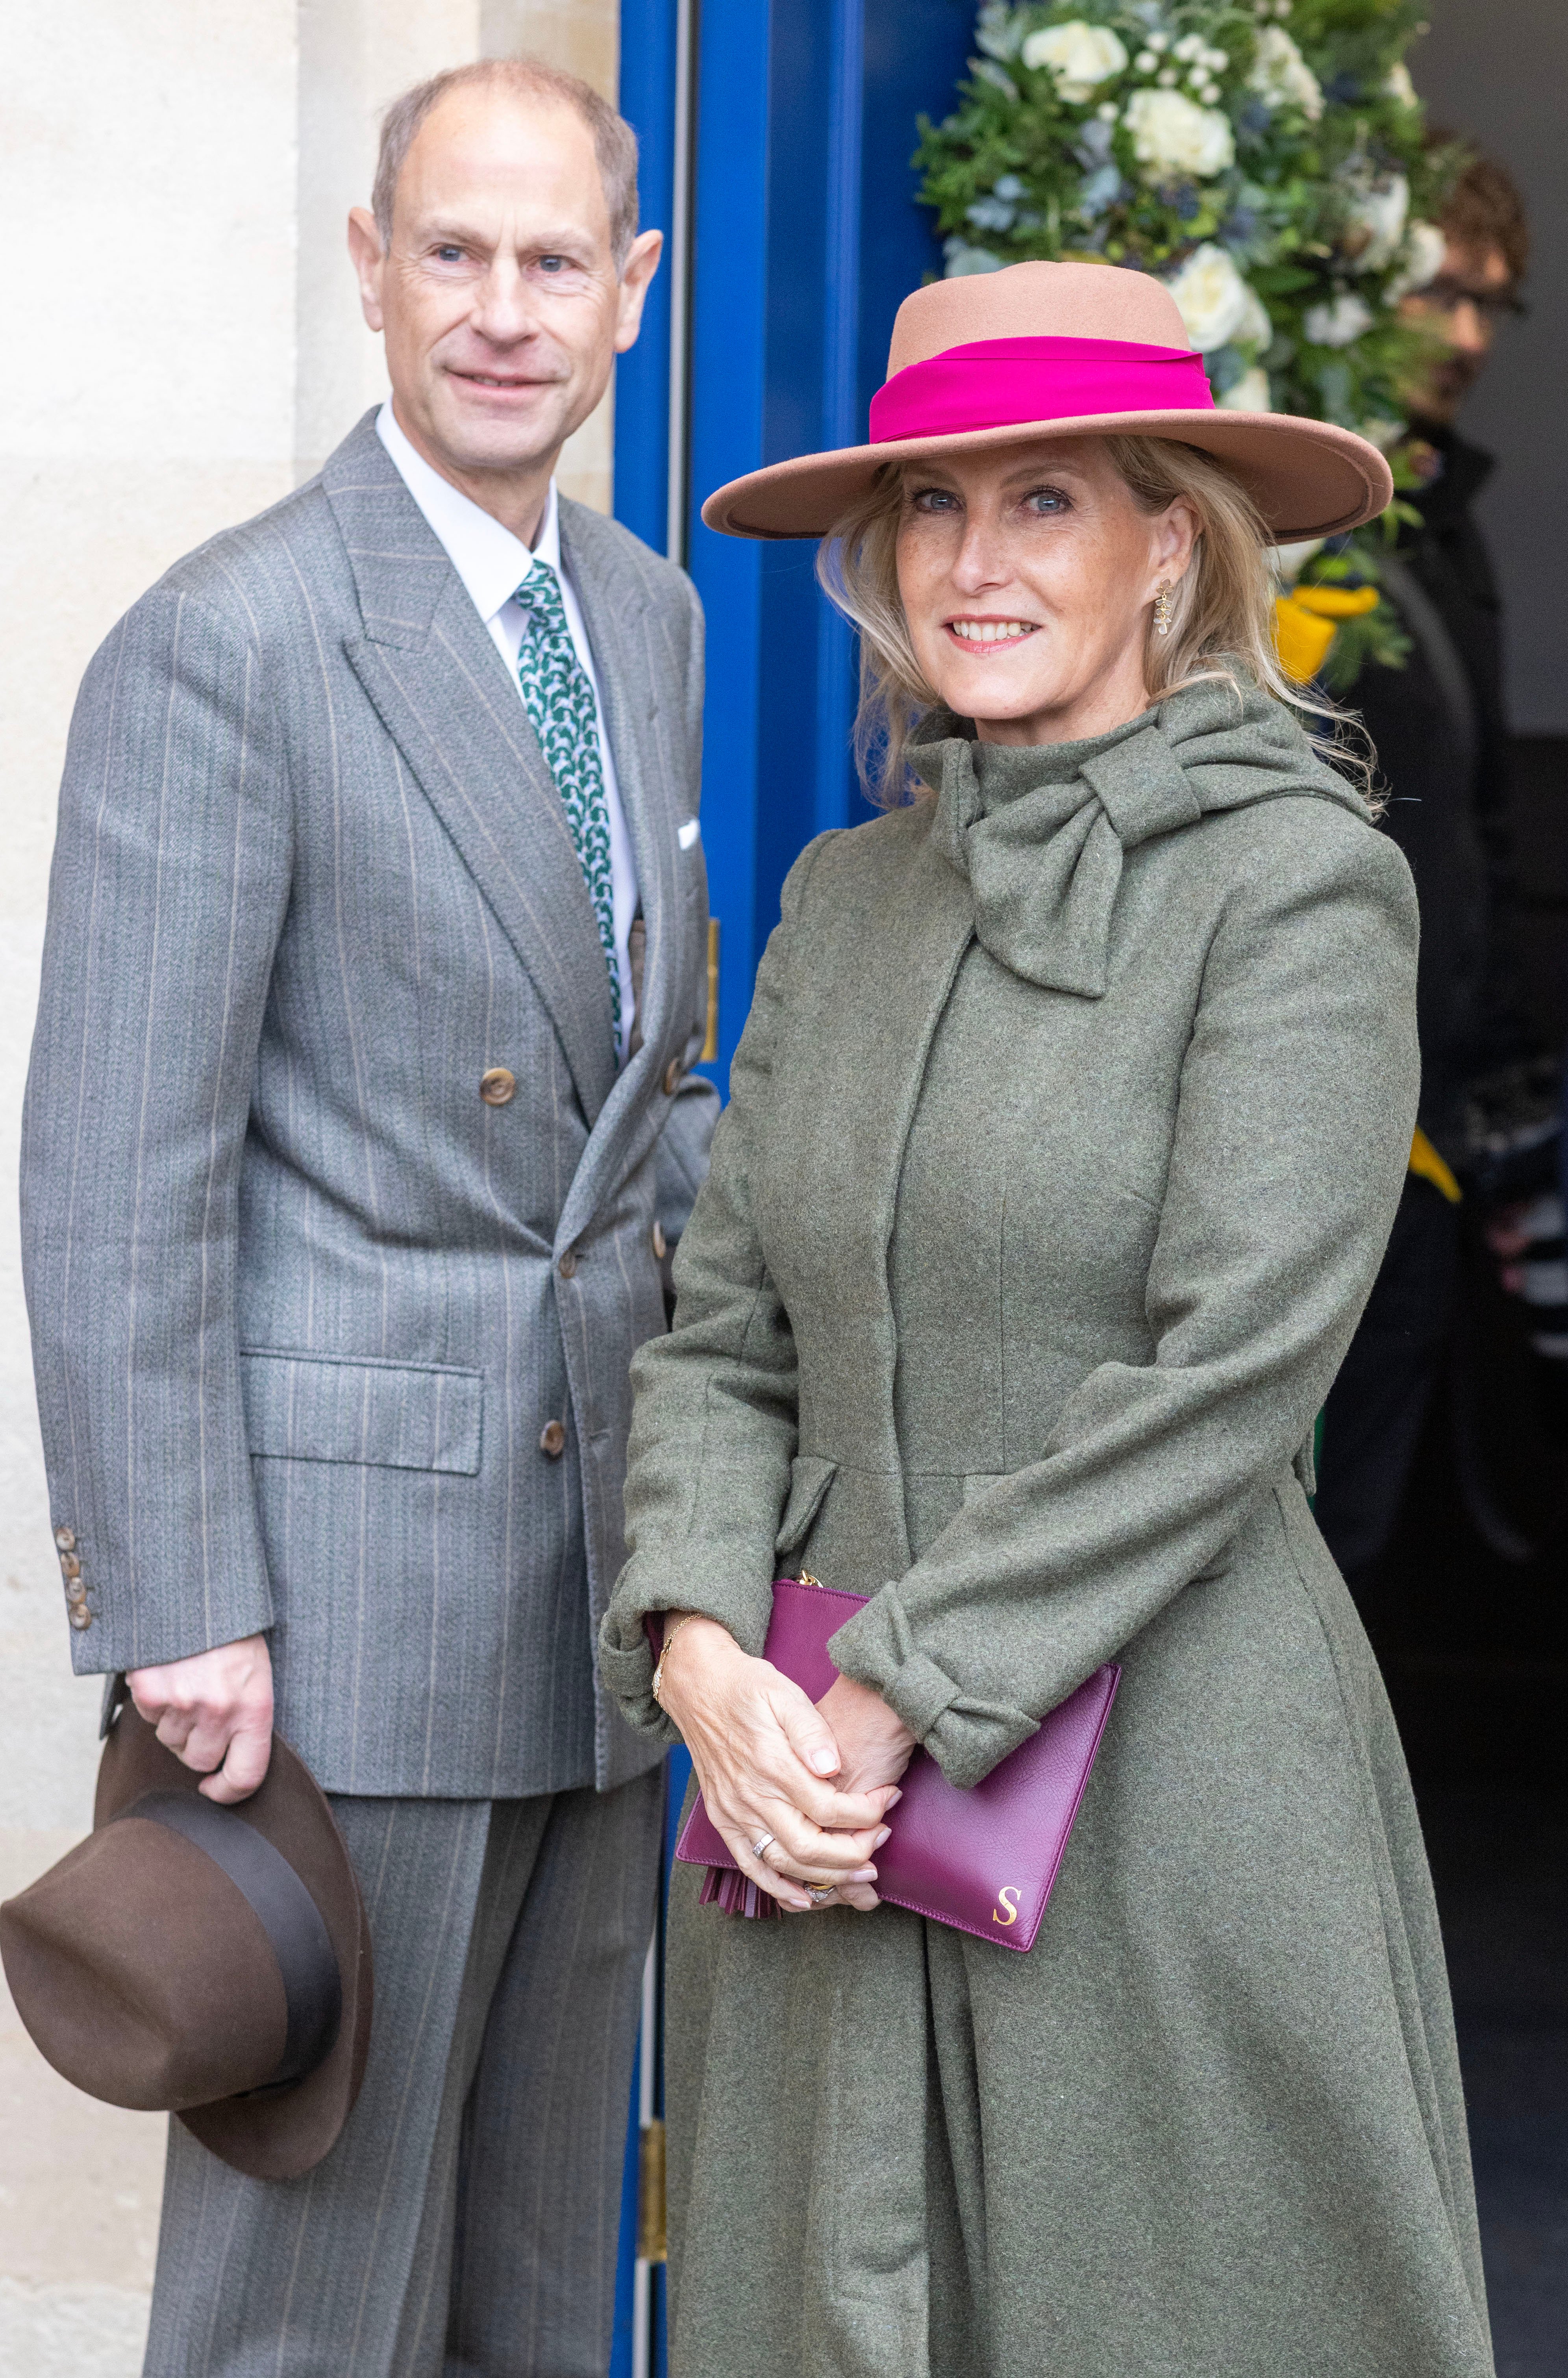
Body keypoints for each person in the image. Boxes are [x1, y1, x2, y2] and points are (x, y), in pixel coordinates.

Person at [600, 262, 1495, 2378]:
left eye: (1049, 503)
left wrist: (898, 1691)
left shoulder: (1297, 884)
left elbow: (1232, 1372)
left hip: (1165, 1791)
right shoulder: (847, 896)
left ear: (1171, 544)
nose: (975, 562)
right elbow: (725, 1329)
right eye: (934, 510)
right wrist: (704, 1650)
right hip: (806, 1811)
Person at [19, 58, 714, 2378]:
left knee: (536, 2280)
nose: (502, 311)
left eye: (551, 263)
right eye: (454, 252)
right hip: (326, 1626)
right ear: (368, 270)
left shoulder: (644, 614)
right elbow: (122, 1172)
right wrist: (185, 1602)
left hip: (594, 1587)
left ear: (634, 292)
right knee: (307, 2307)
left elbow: (643, 1118)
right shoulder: (227, 638)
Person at [1315, 139, 1541, 1592]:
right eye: (1439, 291)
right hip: (1311, 1154)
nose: (1467, 337)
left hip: (1422, 1159)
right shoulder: (1291, 544)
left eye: (1493, 307)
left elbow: (1476, 838)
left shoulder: (1446, 525)